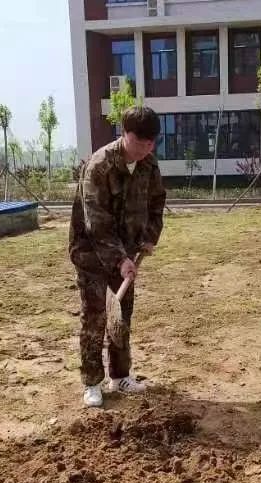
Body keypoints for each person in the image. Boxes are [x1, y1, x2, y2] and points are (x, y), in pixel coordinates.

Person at [68, 106, 166, 407]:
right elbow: (95, 224)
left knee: (121, 316)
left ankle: (120, 375)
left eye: (151, 143)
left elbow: (156, 203)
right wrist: (119, 259)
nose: (146, 149)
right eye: (140, 142)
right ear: (125, 134)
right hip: (92, 254)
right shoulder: (99, 166)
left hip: (126, 255)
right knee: (96, 317)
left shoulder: (149, 164)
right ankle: (92, 382)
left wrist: (149, 237)